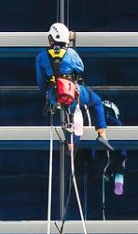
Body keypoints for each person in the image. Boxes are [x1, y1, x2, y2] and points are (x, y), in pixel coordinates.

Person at [35, 22, 113, 150]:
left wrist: (48, 95)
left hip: (54, 94)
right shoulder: (71, 54)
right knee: (97, 102)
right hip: (73, 92)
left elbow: (41, 81)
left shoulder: (41, 57)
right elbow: (80, 68)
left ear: (51, 39)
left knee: (69, 115)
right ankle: (102, 134)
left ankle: (71, 146)